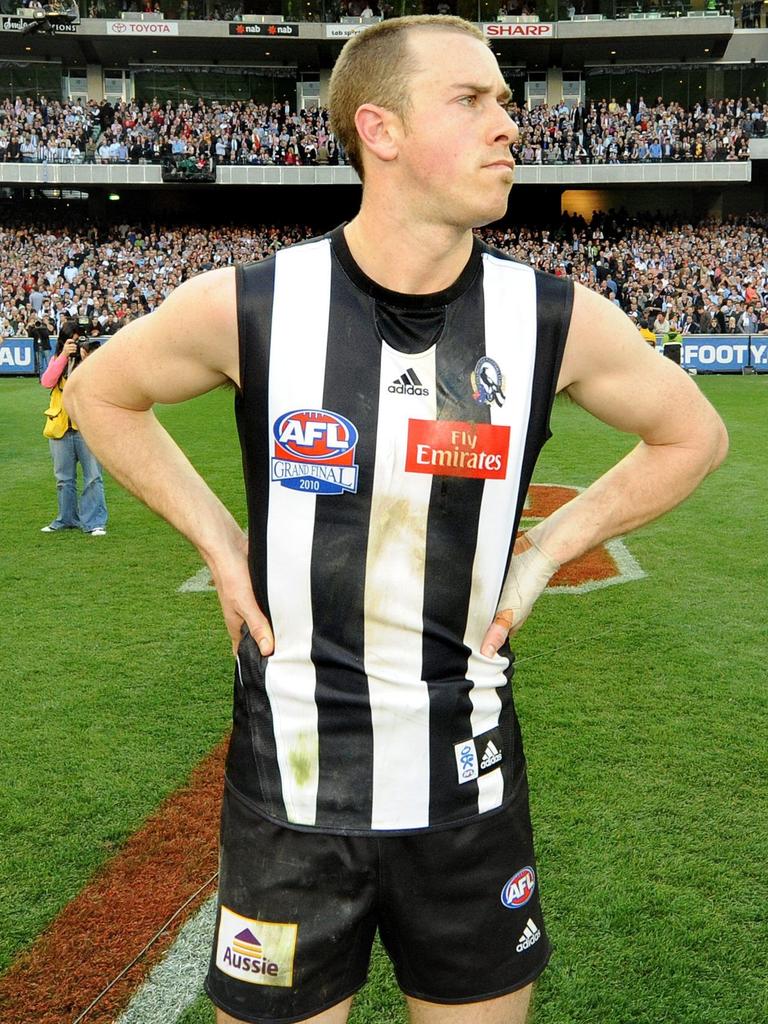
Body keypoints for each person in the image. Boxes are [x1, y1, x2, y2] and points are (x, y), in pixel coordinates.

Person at [64, 15, 728, 1024]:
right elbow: (104, 394)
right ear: (380, 128)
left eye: (507, 101)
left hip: (466, 789)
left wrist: (545, 550)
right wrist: (221, 542)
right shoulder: (249, 304)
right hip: (289, 789)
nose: (510, 123)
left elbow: (695, 435)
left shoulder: (551, 317)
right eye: (472, 100)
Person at [40, 320, 108, 536]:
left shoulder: (91, 359)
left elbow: (97, 381)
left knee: (93, 477)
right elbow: (47, 381)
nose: (78, 345)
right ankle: (66, 519)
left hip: (86, 426)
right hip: (60, 426)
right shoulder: (57, 359)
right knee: (63, 479)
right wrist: (63, 356)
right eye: (74, 340)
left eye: (81, 340)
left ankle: (94, 522)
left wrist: (86, 358)